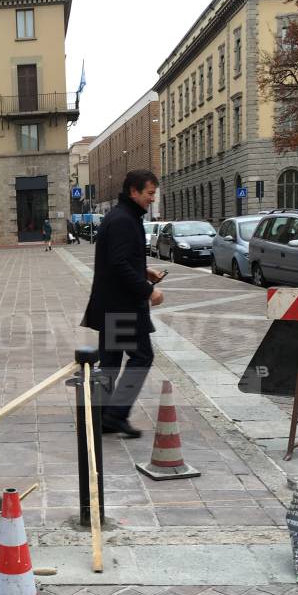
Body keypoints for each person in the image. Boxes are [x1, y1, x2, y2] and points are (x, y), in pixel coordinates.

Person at [81, 171, 165, 438]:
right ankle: (115, 414)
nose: (152, 199)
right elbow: (118, 264)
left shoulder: (122, 217)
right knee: (142, 357)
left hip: (114, 304)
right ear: (134, 192)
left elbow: (121, 260)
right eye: (149, 193)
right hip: (123, 306)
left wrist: (144, 270)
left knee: (111, 361)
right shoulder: (123, 220)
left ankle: (102, 417)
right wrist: (147, 290)